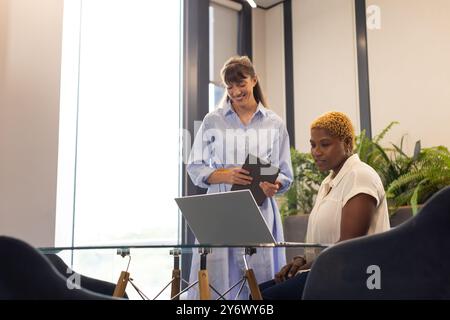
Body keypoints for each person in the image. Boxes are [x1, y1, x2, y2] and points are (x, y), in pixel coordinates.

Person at [186, 56, 293, 299]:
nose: (235, 91)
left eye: (240, 84)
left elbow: (286, 174)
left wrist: (275, 184)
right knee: (219, 280)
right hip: (221, 207)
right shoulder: (213, 120)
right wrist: (226, 174)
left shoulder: (275, 124)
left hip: (260, 207)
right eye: (229, 86)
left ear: (254, 80)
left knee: (259, 280)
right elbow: (194, 167)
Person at [259, 111, 391, 300]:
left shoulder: (360, 176)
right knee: (257, 292)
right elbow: (324, 245)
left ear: (347, 143)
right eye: (313, 145)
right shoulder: (328, 182)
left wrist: (305, 270)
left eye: (325, 144)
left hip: (356, 277)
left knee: (267, 298)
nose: (316, 151)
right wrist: (300, 262)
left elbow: (347, 247)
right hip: (329, 271)